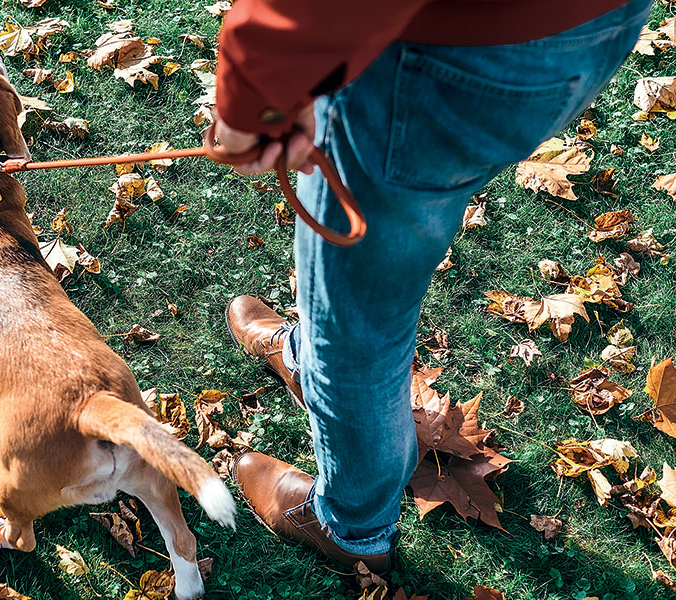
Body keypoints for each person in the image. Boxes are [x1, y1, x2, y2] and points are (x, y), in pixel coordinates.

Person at [213, 0, 651, 574]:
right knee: (369, 279)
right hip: (588, 26)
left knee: (358, 332)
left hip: (445, 57)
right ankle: (311, 361)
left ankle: (353, 526)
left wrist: (253, 92)